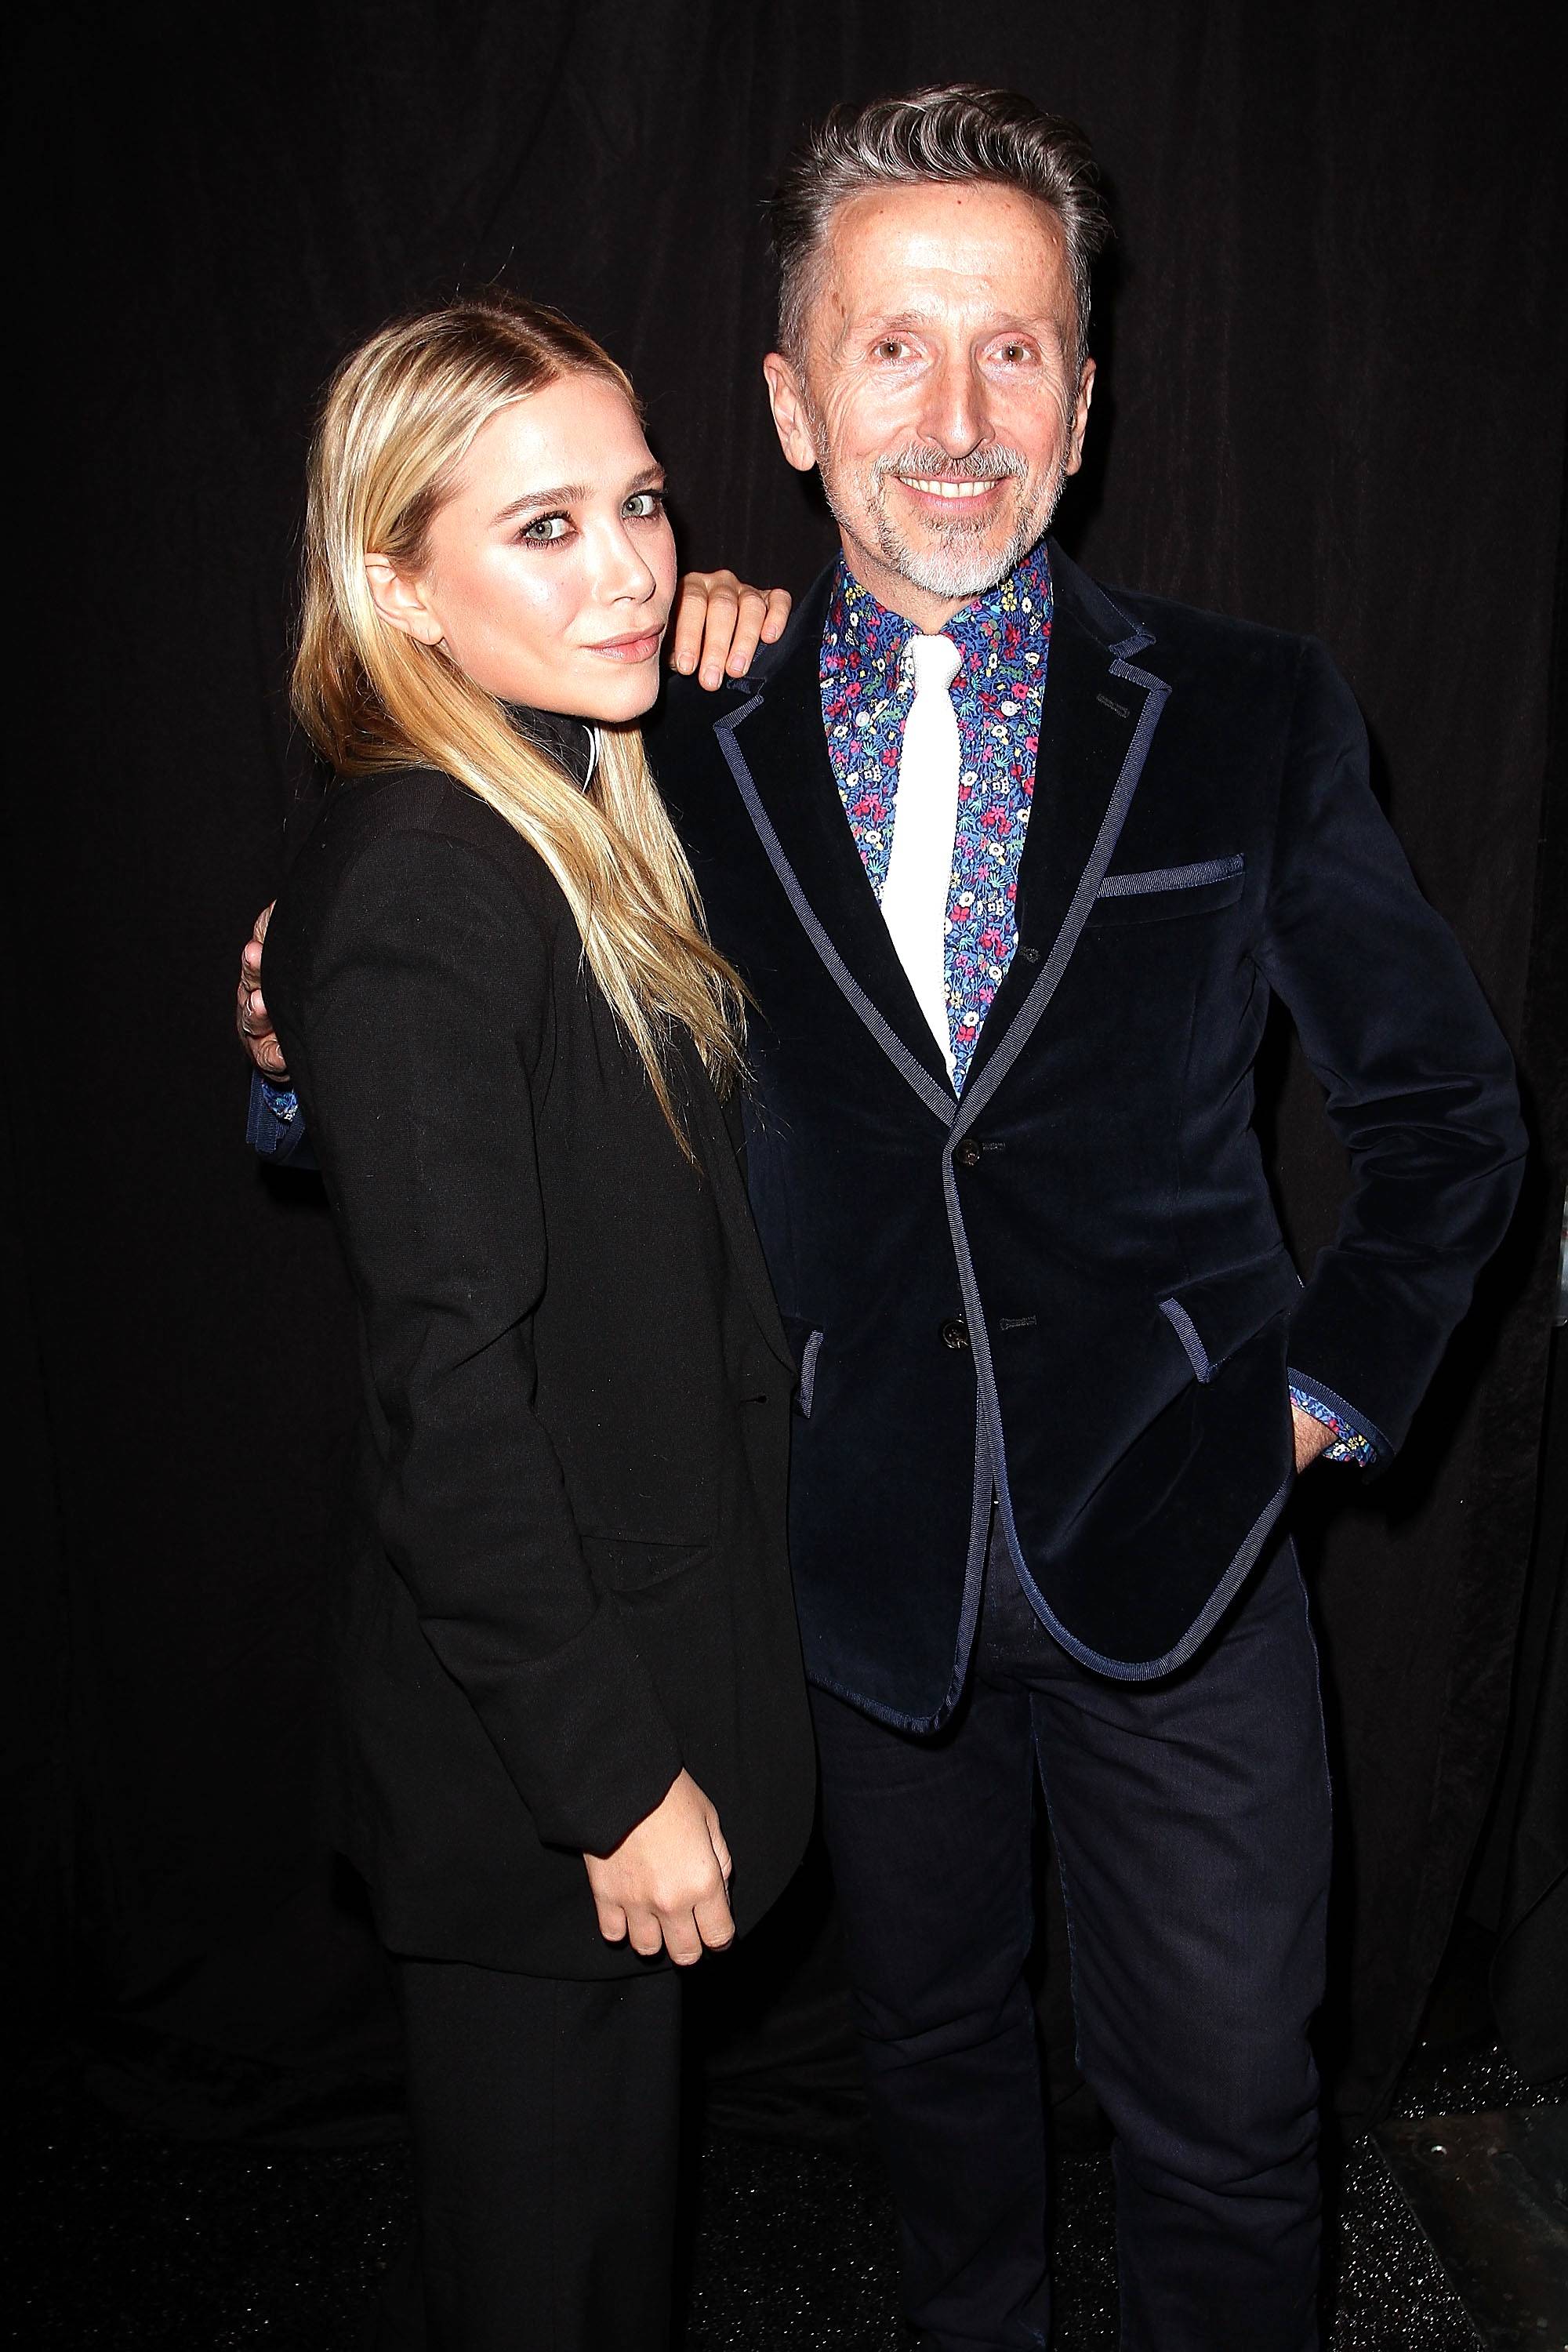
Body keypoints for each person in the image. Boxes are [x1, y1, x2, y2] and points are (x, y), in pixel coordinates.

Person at [244, 89, 1527, 2352]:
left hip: (1185, 1536)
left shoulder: (1246, 710)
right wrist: (276, 1051)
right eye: (894, 351)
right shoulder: (657, 730)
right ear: (788, 398)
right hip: (835, 1556)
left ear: (1088, 396)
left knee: (1231, 2109)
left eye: (1014, 351)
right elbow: (454, 1045)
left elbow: (1448, 1118)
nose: (957, 419)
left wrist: (1315, 1407)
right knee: (931, 2092)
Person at [256, 289, 815, 2352]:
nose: (636, 566)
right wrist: (613, 1782)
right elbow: (452, 1404)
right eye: (546, 527)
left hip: (610, 1716)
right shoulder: (430, 873)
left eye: (641, 503)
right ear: (396, 581)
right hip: (541, 1780)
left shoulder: (561, 807)